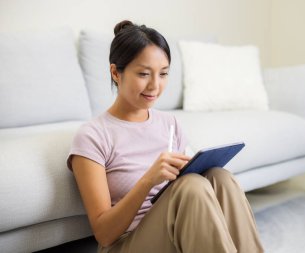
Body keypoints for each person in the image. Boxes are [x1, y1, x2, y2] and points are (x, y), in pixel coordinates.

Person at [67, 20, 264, 253]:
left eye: (163, 74)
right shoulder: (92, 136)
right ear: (115, 73)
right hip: (124, 244)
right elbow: (104, 233)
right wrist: (149, 179)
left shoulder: (169, 124)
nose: (155, 85)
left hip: (177, 230)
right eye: (143, 74)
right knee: (190, 186)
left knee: (221, 177)